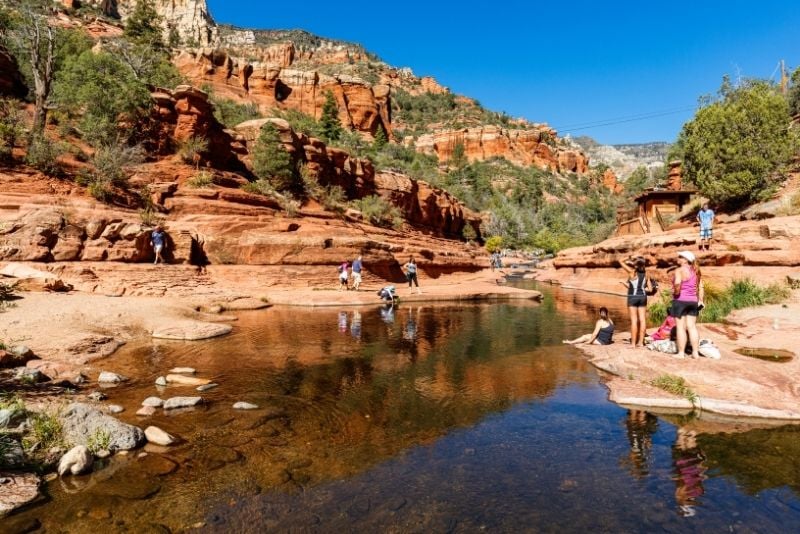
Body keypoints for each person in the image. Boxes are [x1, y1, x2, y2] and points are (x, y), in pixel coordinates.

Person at [671, 251, 703, 359]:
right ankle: (695, 353)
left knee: (680, 327)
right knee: (692, 327)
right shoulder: (696, 271)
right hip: (693, 301)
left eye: (680, 257)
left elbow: (677, 285)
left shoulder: (679, 270)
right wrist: (700, 300)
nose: (678, 258)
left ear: (685, 260)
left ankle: (681, 353)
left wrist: (675, 293)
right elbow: (699, 286)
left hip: (680, 301)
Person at [619, 256, 657, 347]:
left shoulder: (632, 272)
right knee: (642, 320)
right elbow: (651, 289)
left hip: (633, 297)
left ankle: (633, 344)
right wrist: (642, 290)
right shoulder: (647, 274)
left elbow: (620, 260)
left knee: (634, 321)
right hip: (643, 297)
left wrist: (629, 257)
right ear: (643, 264)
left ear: (636, 264)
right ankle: (640, 342)